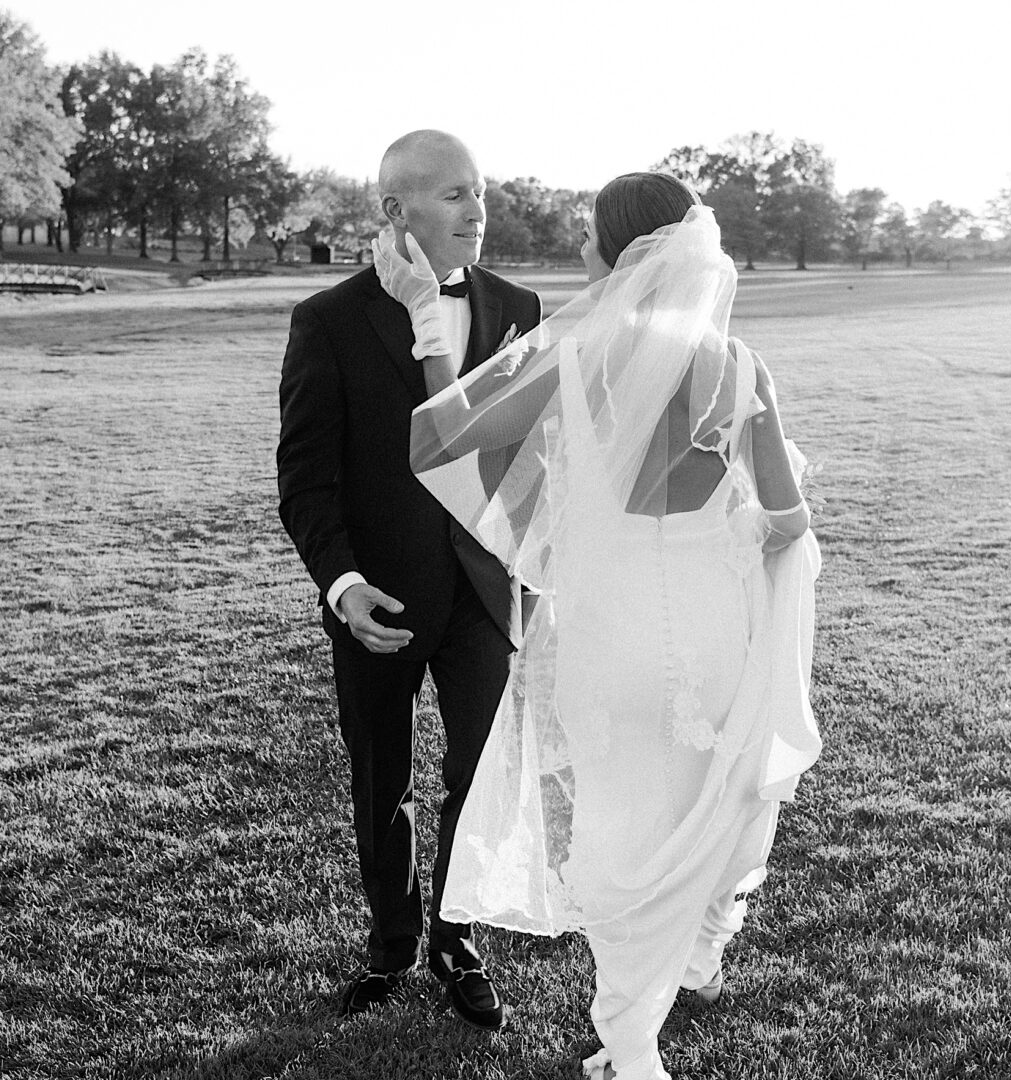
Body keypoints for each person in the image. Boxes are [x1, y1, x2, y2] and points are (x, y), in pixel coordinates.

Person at [372, 172, 822, 1079]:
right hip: (709, 630)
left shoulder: (573, 357)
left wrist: (429, 321)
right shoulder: (735, 366)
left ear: (622, 253)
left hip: (603, 635)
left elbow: (434, 439)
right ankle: (693, 954)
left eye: (588, 234)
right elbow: (788, 523)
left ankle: (630, 1043)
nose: (581, 250)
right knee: (710, 801)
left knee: (619, 823)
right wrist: (731, 530)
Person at [275, 129, 543, 1029]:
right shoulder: (330, 319)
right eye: (457, 194)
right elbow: (307, 481)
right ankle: (390, 947)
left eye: (481, 192)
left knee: (478, 776)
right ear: (396, 210)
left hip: (483, 595)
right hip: (377, 601)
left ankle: (456, 941)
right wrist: (342, 586)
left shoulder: (519, 304)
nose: (479, 211)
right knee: (379, 778)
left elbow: (529, 458)